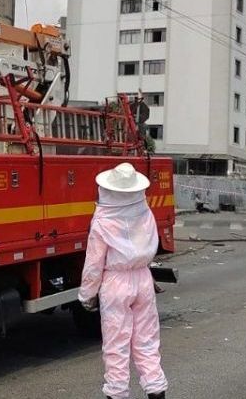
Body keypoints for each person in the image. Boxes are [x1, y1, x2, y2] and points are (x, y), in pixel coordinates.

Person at [80, 162, 167, 399]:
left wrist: (87, 295)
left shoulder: (102, 219)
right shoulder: (145, 212)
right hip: (143, 278)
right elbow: (153, 244)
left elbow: (94, 262)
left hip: (115, 282)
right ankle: (157, 391)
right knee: (147, 342)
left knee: (116, 346)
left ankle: (117, 394)